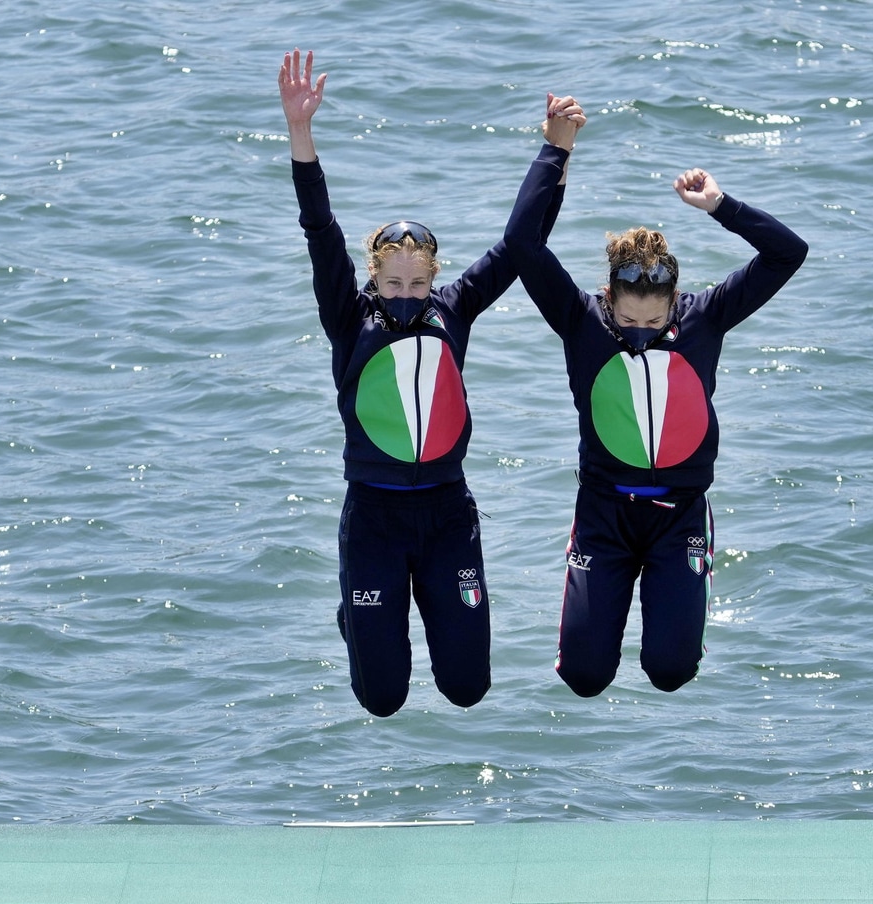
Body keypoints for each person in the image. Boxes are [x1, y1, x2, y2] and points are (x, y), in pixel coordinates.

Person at [279, 49, 583, 716]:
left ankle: (400, 621)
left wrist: (555, 151)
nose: (407, 294)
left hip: (447, 513)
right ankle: (355, 617)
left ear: (433, 277)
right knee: (383, 698)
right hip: (374, 516)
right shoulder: (348, 315)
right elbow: (319, 231)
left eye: (418, 283)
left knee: (467, 688)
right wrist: (301, 133)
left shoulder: (454, 308)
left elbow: (520, 245)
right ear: (374, 277)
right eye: (394, 283)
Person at [505, 112, 810, 696]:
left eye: (654, 320)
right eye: (628, 320)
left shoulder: (706, 316)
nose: (641, 333)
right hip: (604, 513)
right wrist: (555, 152)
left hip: (680, 515)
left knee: (671, 671)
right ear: (608, 298)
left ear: (675, 301)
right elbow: (522, 242)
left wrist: (720, 206)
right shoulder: (580, 321)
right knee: (585, 677)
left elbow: (788, 253)